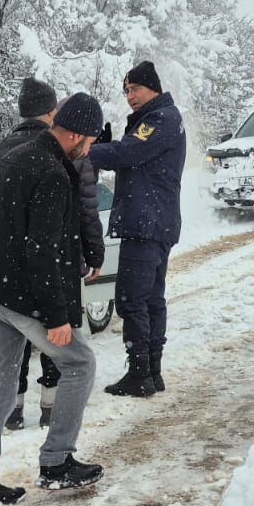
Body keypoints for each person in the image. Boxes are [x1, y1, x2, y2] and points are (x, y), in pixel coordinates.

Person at [0, 93, 107, 506]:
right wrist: (57, 315)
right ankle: (57, 463)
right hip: (19, 294)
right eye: (90, 140)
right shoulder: (53, 172)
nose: (90, 148)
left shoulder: (11, 156)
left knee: (0, 387)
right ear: (75, 133)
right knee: (80, 363)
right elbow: (44, 249)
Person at [0, 82, 107, 431]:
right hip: (47, 271)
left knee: (6, 367)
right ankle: (52, 414)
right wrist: (93, 251)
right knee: (67, 347)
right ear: (52, 113)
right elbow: (84, 208)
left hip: (0, 279)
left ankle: (15, 408)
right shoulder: (63, 161)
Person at [87, 60, 185, 398]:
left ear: (152, 88)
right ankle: (151, 371)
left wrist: (87, 149)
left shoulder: (160, 120)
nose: (130, 96)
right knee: (151, 298)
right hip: (154, 221)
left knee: (132, 299)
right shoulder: (158, 120)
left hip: (146, 223)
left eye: (135, 89)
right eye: (126, 91)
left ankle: (141, 371)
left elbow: (128, 153)